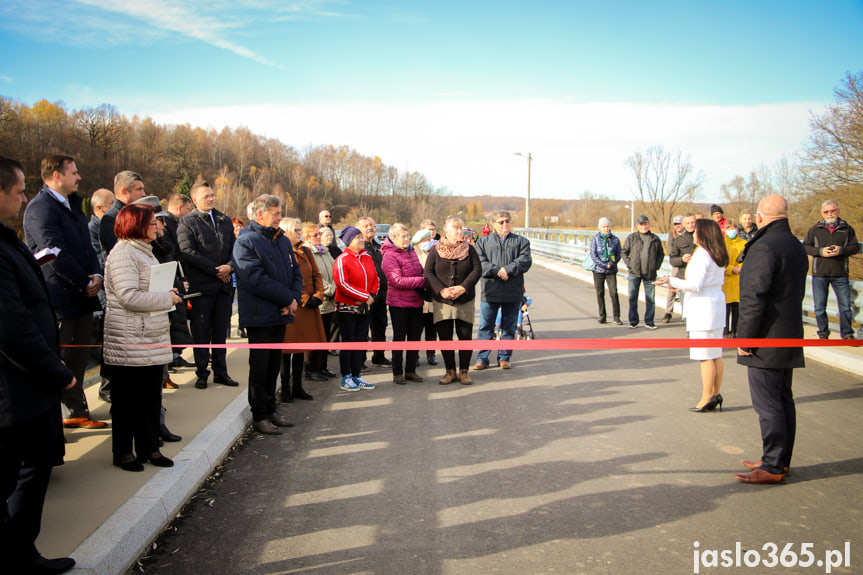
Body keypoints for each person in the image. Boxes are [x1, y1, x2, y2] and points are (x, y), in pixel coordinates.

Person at [0, 156, 77, 574]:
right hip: (15, 388)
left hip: (28, 384)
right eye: (17, 190)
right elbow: (11, 328)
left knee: (38, 462)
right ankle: (16, 555)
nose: (24, 197)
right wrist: (56, 370)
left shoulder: (7, 241)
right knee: (21, 471)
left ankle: (21, 551)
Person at [23, 154, 108, 429]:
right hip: (59, 298)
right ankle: (60, 415)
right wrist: (83, 281)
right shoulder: (40, 209)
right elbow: (53, 251)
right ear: (57, 175)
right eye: (74, 172)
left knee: (79, 358)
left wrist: (96, 274)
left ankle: (75, 410)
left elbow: (87, 245)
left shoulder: (72, 204)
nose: (79, 177)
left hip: (83, 296)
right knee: (60, 359)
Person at [734, 194, 808, 484]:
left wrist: (745, 338)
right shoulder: (795, 245)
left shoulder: (763, 246)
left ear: (760, 217)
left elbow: (753, 297)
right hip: (788, 334)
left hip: (766, 338)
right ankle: (779, 458)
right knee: (783, 399)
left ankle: (773, 466)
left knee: (768, 404)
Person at [103, 204, 182, 471]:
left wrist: (165, 292)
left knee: (151, 398)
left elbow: (145, 289)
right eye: (152, 224)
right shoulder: (123, 254)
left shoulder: (145, 253)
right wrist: (165, 298)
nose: (157, 228)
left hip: (150, 336)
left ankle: (150, 448)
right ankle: (123, 452)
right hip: (130, 339)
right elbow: (128, 296)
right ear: (136, 226)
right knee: (127, 401)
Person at [233, 194, 302, 435]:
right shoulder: (246, 241)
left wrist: (293, 300)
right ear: (260, 215)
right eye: (275, 214)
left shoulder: (282, 240)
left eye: (280, 213)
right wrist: (287, 299)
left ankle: (271, 409)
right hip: (259, 315)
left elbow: (296, 271)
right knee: (260, 367)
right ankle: (259, 415)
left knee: (273, 366)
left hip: (281, 312)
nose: (280, 218)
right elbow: (255, 279)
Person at [655, 219, 729, 412]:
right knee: (716, 355)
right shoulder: (718, 253)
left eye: (696, 231)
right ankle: (715, 392)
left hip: (703, 307)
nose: (693, 233)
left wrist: (671, 280)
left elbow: (695, 284)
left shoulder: (702, 254)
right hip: (716, 304)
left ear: (703, 233)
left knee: (705, 356)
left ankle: (706, 397)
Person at [178, 181, 239, 389]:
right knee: (201, 331)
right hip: (202, 288)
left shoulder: (224, 220)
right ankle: (202, 372)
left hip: (223, 287)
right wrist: (216, 271)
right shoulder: (187, 222)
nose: (211, 199)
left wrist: (229, 267)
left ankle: (221, 372)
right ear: (195, 200)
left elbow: (234, 248)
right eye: (206, 196)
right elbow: (188, 253)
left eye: (212, 195)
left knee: (221, 332)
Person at [425, 216, 482, 384]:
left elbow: (477, 269)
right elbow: (428, 273)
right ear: (446, 232)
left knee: (465, 336)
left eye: (461, 228)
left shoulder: (470, 249)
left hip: (465, 299)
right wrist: (441, 290)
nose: (459, 232)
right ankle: (450, 371)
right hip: (442, 301)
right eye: (456, 229)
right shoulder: (435, 250)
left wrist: (464, 287)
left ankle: (464, 371)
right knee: (445, 337)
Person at [474, 210, 532, 370]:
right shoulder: (483, 242)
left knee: (509, 326)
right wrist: (497, 270)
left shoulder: (521, 241)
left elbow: (525, 260)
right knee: (486, 325)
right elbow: (480, 262)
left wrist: (508, 269)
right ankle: (482, 358)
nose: (505, 224)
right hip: (490, 290)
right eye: (501, 222)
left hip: (512, 291)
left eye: (507, 221)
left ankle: (504, 357)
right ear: (494, 224)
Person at [278, 217, 326, 402]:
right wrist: (304, 299)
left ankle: (298, 387)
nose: (300, 232)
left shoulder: (306, 250)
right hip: (294, 306)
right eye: (296, 230)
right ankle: (285, 389)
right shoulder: (282, 251)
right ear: (287, 232)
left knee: (301, 350)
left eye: (300, 229)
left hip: (309, 306)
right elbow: (286, 280)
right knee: (287, 351)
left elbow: (316, 274)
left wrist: (319, 295)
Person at [803, 200, 860, 340]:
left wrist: (841, 250)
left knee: (845, 306)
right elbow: (805, 246)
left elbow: (855, 247)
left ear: (838, 211)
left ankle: (847, 334)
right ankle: (823, 332)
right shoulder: (815, 229)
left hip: (840, 273)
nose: (830, 214)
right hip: (820, 273)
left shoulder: (847, 229)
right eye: (826, 212)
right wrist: (821, 251)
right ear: (822, 213)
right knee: (820, 307)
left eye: (832, 211)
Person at [333, 226, 378, 391]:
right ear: (349, 241)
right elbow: (343, 284)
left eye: (361, 237)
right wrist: (364, 297)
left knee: (360, 342)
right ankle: (346, 376)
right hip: (347, 309)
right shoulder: (342, 259)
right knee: (348, 343)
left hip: (364, 309)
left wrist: (372, 294)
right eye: (357, 237)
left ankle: (357, 375)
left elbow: (375, 277)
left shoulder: (367, 257)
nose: (362, 240)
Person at [382, 223, 427, 384]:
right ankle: (397, 373)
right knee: (399, 338)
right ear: (394, 238)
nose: (408, 239)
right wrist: (423, 281)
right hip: (398, 304)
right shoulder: (389, 255)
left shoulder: (412, 251)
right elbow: (397, 281)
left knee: (415, 338)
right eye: (403, 236)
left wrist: (425, 278)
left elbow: (420, 271)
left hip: (416, 301)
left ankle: (410, 370)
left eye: (408, 236)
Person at [302, 222, 337, 380]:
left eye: (319, 234)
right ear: (307, 237)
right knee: (314, 338)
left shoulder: (326, 252)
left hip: (330, 302)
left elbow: (334, 271)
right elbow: (316, 277)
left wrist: (337, 288)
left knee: (325, 337)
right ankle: (311, 369)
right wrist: (331, 291)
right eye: (315, 234)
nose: (319, 237)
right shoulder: (308, 252)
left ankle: (322, 366)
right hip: (319, 300)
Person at [164, 193, 195, 370]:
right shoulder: (170, 225)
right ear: (179, 208)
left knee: (178, 320)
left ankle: (176, 354)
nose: (189, 213)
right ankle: (172, 356)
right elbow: (173, 255)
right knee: (174, 320)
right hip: (173, 280)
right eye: (188, 209)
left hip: (177, 278)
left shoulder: (174, 224)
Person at [357, 217, 390, 368]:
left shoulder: (379, 246)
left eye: (373, 225)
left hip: (381, 295)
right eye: (366, 225)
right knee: (363, 330)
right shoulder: (358, 247)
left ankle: (379, 357)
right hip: (365, 296)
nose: (370, 228)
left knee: (380, 326)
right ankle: (360, 360)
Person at [622, 214, 664, 329]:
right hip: (634, 272)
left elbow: (661, 254)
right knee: (633, 297)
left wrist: (656, 266)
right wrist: (629, 265)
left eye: (645, 224)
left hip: (650, 273)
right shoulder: (632, 238)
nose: (643, 226)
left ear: (649, 224)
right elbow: (624, 252)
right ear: (637, 226)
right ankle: (633, 321)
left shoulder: (655, 239)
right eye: (641, 224)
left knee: (650, 298)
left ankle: (649, 321)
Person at [99, 170, 146, 256]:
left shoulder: (140, 215)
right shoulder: (111, 219)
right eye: (139, 189)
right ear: (125, 192)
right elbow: (117, 253)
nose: (143, 194)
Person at [413, 221, 439, 366]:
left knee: (432, 327)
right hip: (417, 295)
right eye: (426, 234)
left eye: (431, 234)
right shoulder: (412, 251)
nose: (428, 239)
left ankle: (431, 354)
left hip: (433, 295)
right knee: (416, 328)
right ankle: (414, 355)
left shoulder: (436, 249)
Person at [589, 217, 622, 325]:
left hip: (611, 271)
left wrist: (611, 264)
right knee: (600, 293)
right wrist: (604, 265)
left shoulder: (615, 240)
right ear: (600, 228)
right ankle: (602, 316)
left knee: (613, 293)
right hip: (598, 271)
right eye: (604, 227)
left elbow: (618, 254)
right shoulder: (595, 239)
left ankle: (616, 317)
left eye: (607, 226)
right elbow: (593, 255)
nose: (606, 229)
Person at [722, 219, 745, 338]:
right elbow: (720, 262)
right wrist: (731, 269)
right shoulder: (721, 244)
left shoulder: (743, 244)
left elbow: (748, 259)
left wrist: (740, 268)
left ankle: (735, 332)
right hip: (725, 280)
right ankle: (725, 332)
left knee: (737, 309)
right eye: (729, 228)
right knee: (725, 309)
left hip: (739, 281)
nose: (732, 231)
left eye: (734, 228)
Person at [663, 214, 685, 323]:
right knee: (672, 286)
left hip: (687, 264)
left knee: (685, 289)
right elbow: (670, 249)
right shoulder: (673, 234)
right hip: (677, 263)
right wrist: (678, 258)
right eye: (675, 224)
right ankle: (668, 312)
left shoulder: (689, 234)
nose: (677, 226)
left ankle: (685, 312)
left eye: (679, 223)